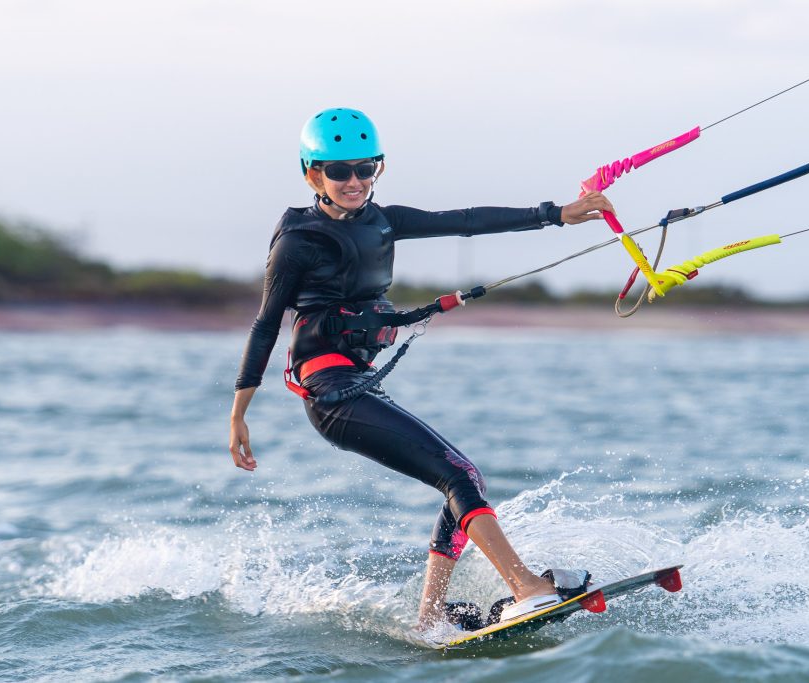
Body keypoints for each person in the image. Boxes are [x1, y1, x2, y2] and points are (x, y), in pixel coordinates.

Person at [228, 107, 615, 632]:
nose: (355, 181)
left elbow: (466, 221)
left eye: (366, 168)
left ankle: (429, 620)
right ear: (311, 173)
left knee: (463, 476)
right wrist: (239, 415)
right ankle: (526, 588)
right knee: (456, 475)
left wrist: (555, 213)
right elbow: (265, 325)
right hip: (329, 393)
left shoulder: (383, 220)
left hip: (357, 382)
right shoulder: (298, 242)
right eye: (339, 171)